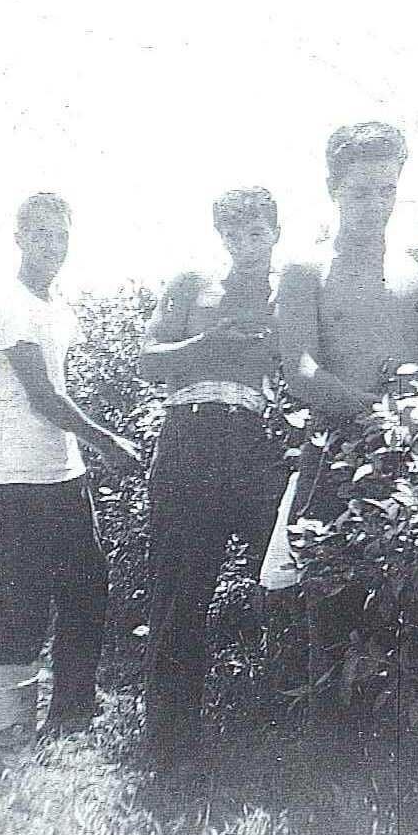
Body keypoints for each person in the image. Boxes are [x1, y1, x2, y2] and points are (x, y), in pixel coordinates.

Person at [274, 122, 418, 741]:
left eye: (388, 190)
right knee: (327, 591)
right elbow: (299, 368)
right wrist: (372, 411)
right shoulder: (305, 266)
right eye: (361, 192)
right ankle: (327, 744)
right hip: (337, 446)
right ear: (333, 190)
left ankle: (403, 741)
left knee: (415, 588)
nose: (377, 204)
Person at [0, 192, 139, 739]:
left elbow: (56, 396)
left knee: (88, 585)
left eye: (61, 236)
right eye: (41, 235)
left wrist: (86, 448)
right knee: (19, 601)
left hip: (61, 470)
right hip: (14, 472)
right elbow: (41, 396)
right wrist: (107, 441)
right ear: (18, 237)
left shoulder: (56, 308)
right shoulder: (7, 304)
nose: (53, 246)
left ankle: (72, 711)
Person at [139, 187, 286, 775]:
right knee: (180, 592)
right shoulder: (193, 285)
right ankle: (172, 747)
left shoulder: (293, 289)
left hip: (259, 441)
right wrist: (208, 344)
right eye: (235, 234)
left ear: (275, 230)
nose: (247, 246)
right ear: (220, 238)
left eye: (258, 232)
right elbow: (149, 360)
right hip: (190, 438)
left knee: (280, 582)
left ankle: (278, 732)